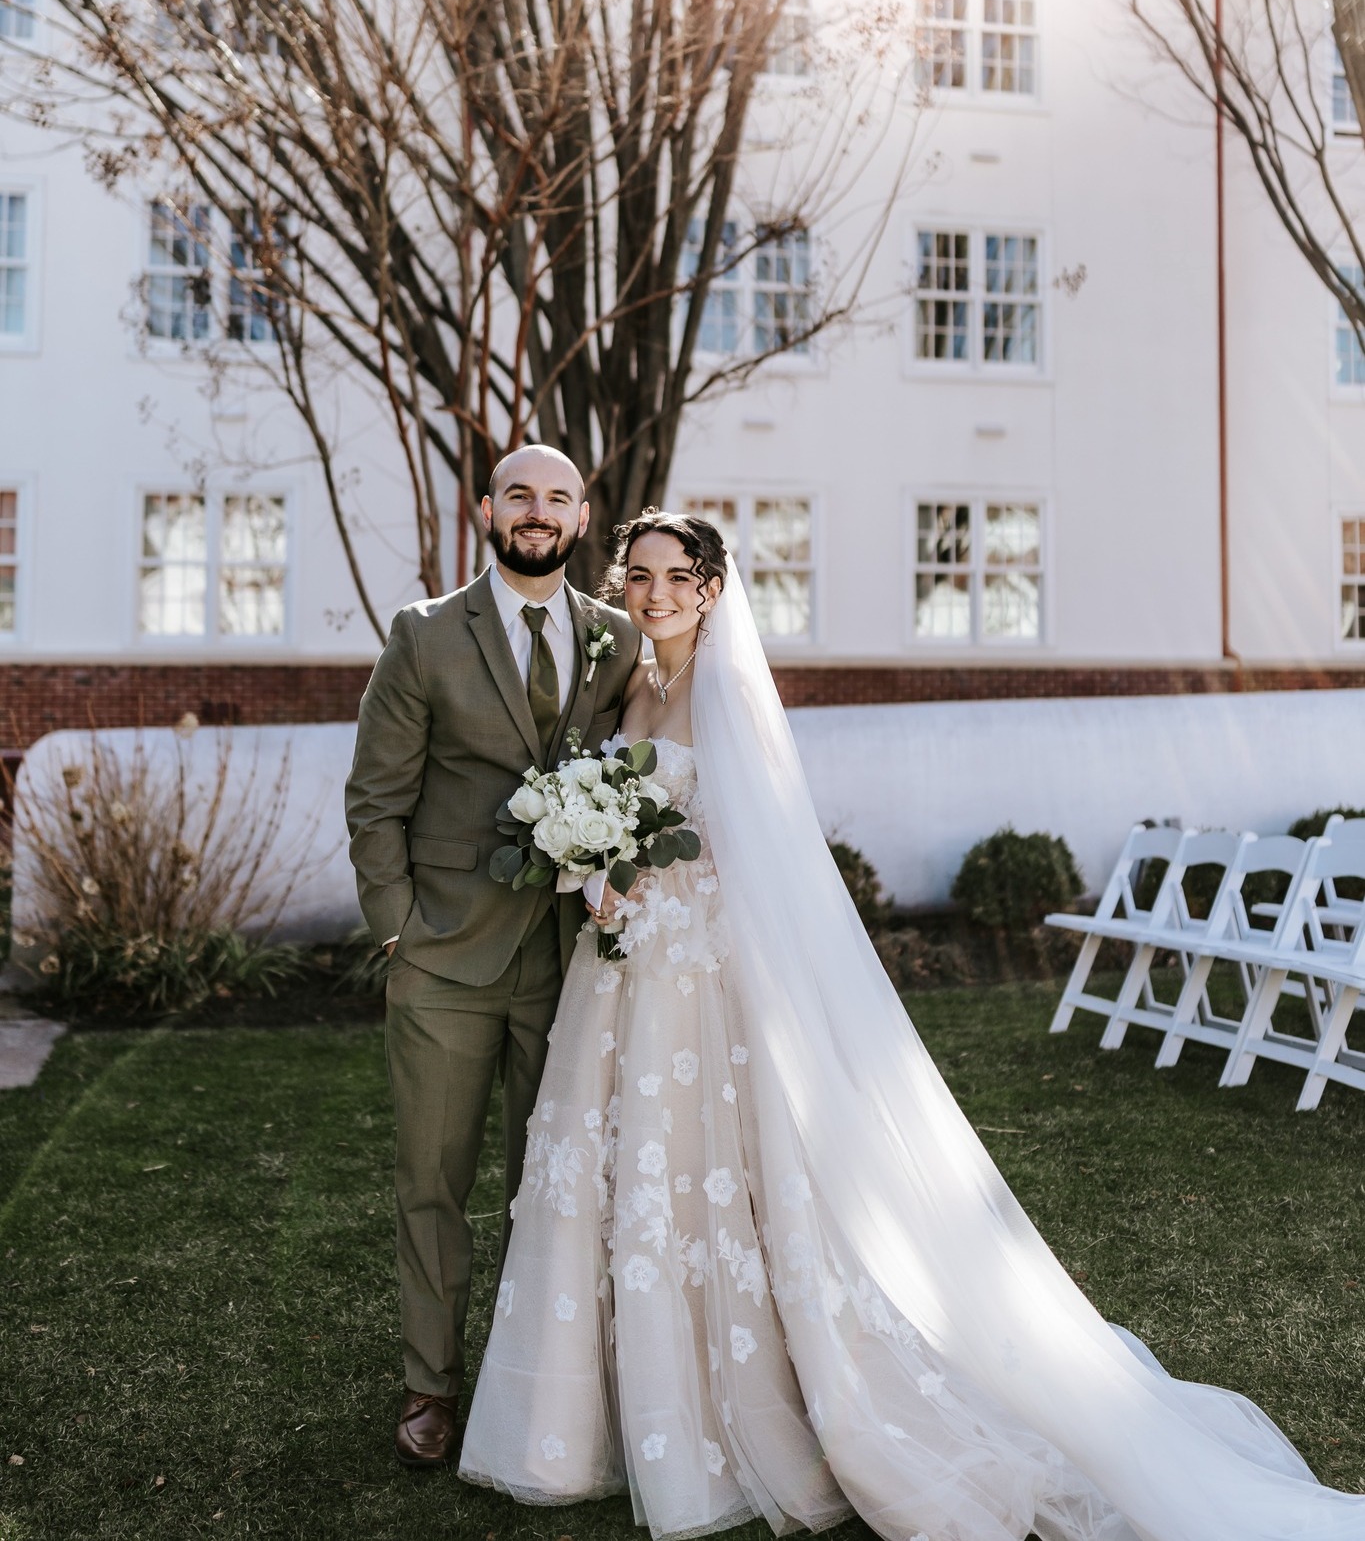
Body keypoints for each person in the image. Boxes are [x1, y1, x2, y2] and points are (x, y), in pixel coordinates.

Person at [459, 510, 1365, 1541]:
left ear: (713, 589)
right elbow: (629, 809)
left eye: (676, 577)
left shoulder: (722, 689)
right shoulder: (632, 682)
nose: (655, 592)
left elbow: (763, 847)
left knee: (721, 1179)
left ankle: (775, 1409)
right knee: (621, 1172)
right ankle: (594, 1418)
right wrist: (595, 872)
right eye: (641, 575)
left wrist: (651, 871)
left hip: (705, 967)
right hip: (624, 965)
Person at [344, 446, 639, 1469]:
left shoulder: (616, 635)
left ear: (583, 515)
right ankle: (431, 1381)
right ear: (486, 508)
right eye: (519, 493)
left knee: (544, 1184)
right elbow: (375, 795)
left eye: (557, 496)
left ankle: (528, 1383)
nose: (537, 510)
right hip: (444, 958)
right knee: (433, 1177)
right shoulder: (424, 634)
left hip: (567, 962)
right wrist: (397, 928)